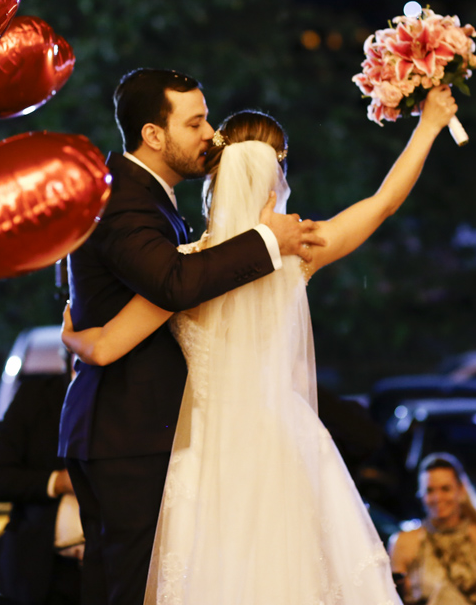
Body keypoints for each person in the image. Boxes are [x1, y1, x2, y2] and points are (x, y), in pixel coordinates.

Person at [62, 86, 459, 604]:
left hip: (202, 451)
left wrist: (73, 336)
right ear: (276, 179)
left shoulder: (187, 266)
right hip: (281, 443)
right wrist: (427, 126)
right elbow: (382, 205)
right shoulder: (298, 252)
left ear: (217, 180)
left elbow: (108, 346)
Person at [57, 68, 321, 605]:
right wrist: (266, 239)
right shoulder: (125, 203)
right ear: (153, 135)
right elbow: (174, 283)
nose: (210, 135)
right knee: (123, 590)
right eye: (195, 122)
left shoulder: (148, 200)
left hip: (129, 427)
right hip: (125, 431)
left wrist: (91, 342)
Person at [0, 347, 80, 605]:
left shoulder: (126, 399)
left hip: (106, 570)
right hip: (40, 570)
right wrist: (57, 482)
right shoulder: (35, 396)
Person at [388, 453, 476, 605]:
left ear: (461, 491)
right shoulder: (403, 543)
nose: (437, 497)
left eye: (445, 489)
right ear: (421, 496)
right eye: (430, 490)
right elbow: (392, 599)